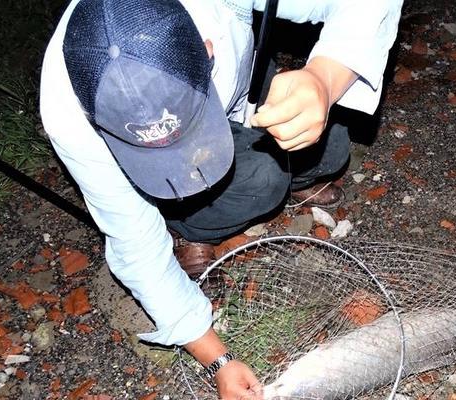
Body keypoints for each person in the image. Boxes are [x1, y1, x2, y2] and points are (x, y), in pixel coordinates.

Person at [40, 0, 402, 398]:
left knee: (332, 145)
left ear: (207, 52)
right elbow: (135, 249)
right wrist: (219, 360)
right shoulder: (67, 115)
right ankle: (192, 223)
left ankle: (258, 152)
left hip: (239, 80)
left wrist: (323, 78)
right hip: (213, 100)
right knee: (265, 178)